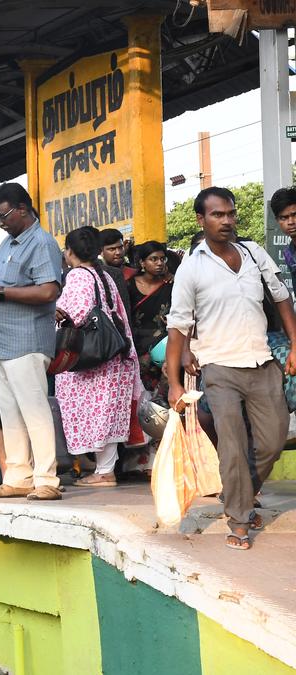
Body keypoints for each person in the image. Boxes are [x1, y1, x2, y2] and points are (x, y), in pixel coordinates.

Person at [166, 186, 296, 551]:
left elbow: (282, 297)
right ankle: (239, 520)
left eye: (230, 214)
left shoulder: (253, 253)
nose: (227, 221)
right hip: (219, 367)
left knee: (272, 440)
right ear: (201, 219)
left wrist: (295, 344)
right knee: (233, 445)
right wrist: (175, 382)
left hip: (261, 360)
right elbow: (177, 328)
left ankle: (242, 492)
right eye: (218, 215)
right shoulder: (192, 267)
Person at [0, 183, 64, 501]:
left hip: (26, 341)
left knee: (34, 411)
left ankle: (47, 479)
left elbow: (49, 291)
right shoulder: (8, 244)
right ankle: (18, 475)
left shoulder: (41, 243)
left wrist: (0, 293)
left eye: (3, 215)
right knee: (10, 414)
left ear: (23, 209)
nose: (0, 222)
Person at [53, 226, 138, 487]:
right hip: (115, 352)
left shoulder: (78, 276)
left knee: (91, 411)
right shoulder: (105, 275)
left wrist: (54, 315)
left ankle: (103, 471)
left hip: (92, 358)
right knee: (106, 414)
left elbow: (74, 315)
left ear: (70, 252)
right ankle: (104, 468)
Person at [127, 241, 173, 392]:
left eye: (162, 259)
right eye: (154, 259)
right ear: (142, 263)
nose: (159, 263)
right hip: (137, 346)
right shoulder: (129, 285)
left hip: (164, 346)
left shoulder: (170, 284)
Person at [98, 228, 133, 310]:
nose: (118, 253)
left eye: (120, 247)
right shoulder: (96, 275)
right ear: (100, 251)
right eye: (112, 249)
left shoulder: (133, 274)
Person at [270, 187, 296, 278]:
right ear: (277, 220)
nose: (291, 222)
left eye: (294, 215)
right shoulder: (288, 253)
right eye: (284, 218)